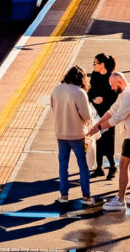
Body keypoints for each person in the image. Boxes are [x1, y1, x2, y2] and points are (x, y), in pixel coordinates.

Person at [88, 71, 130, 211]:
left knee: (123, 165)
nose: (112, 88)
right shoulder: (126, 93)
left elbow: (117, 118)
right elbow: (112, 110)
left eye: (113, 85)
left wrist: (99, 129)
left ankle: (120, 200)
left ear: (120, 82)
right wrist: (96, 125)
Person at [50, 65, 96, 206]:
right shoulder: (80, 92)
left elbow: (52, 107)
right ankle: (86, 197)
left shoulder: (56, 89)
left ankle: (63, 195)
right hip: (78, 135)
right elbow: (87, 116)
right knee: (83, 166)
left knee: (63, 165)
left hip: (61, 133)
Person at [88, 53, 119, 179]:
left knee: (108, 140)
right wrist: (93, 98)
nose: (94, 65)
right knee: (97, 138)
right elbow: (90, 90)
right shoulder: (95, 75)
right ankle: (99, 167)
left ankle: (112, 167)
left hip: (109, 112)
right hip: (96, 112)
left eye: (96, 63)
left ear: (103, 65)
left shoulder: (112, 77)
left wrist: (103, 99)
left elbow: (116, 96)